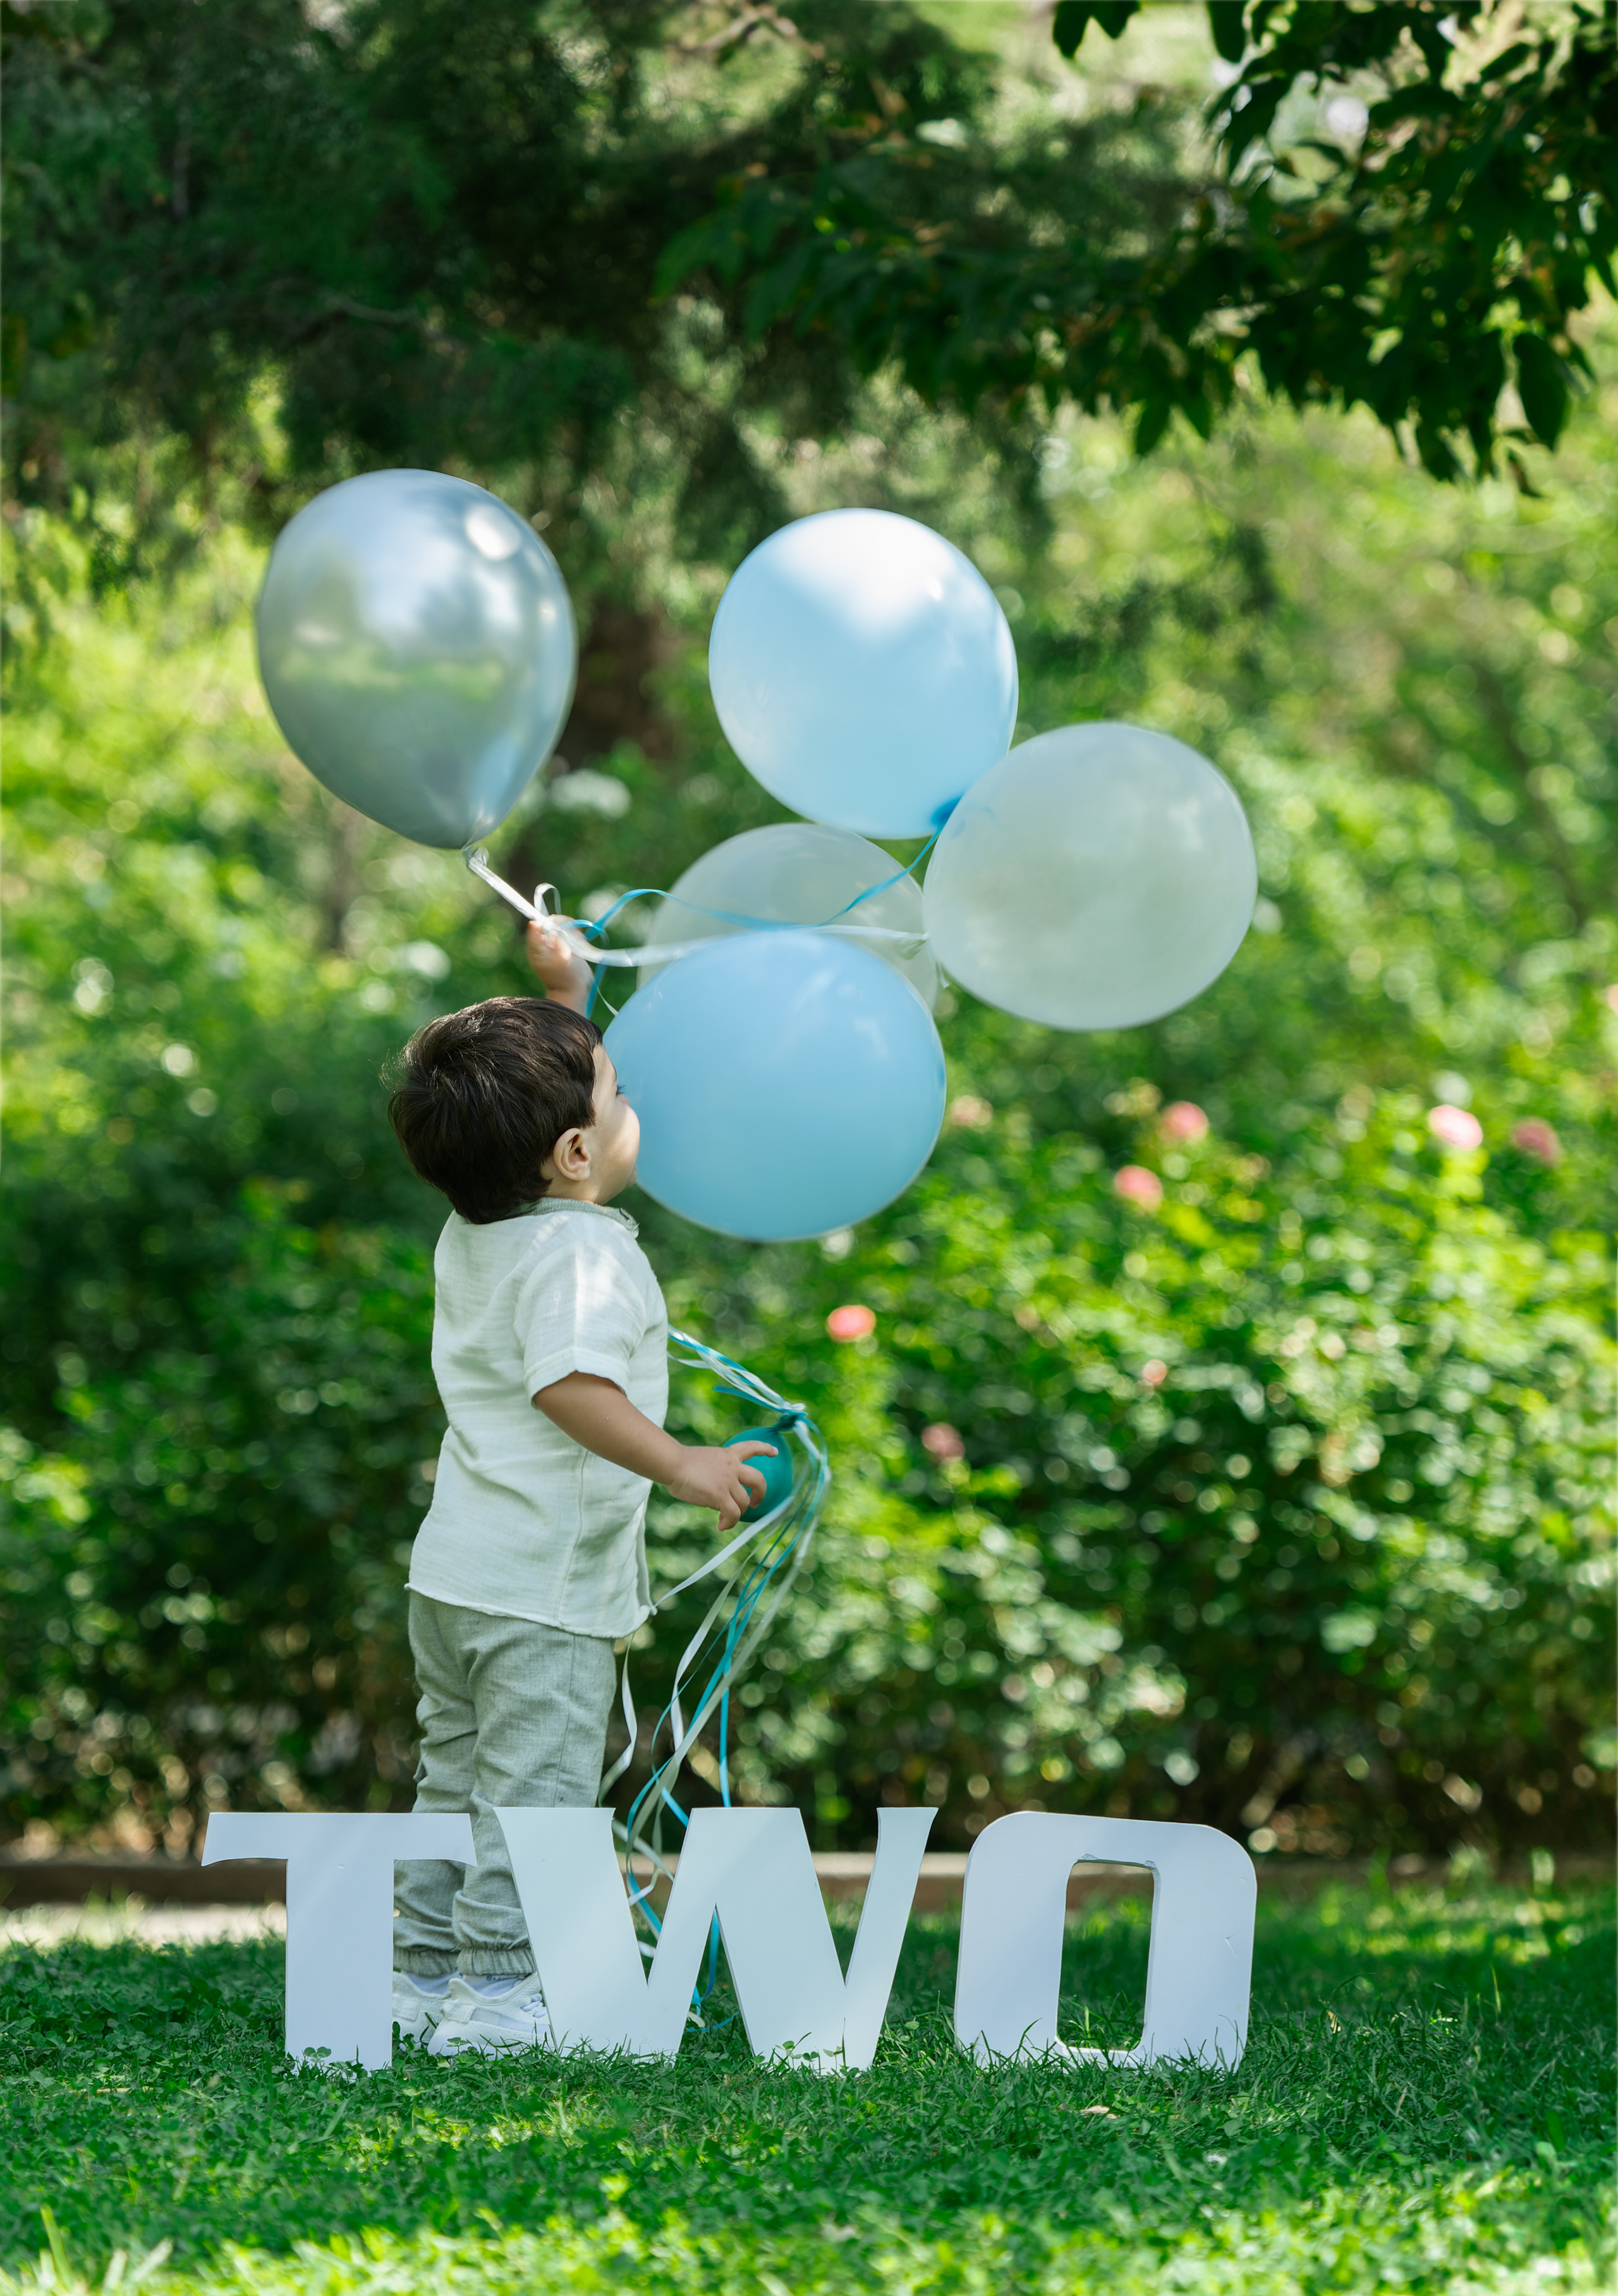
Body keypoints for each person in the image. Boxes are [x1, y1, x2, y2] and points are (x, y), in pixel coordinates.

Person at [385, 916, 777, 2056]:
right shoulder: (584, 1253)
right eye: (617, 1095)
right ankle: (502, 1996)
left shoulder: (483, 1222)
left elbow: (550, 1107)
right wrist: (681, 1460)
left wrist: (570, 991)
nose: (628, 1101)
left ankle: (420, 1974)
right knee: (535, 1796)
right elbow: (569, 1382)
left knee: (455, 1781)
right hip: (541, 1596)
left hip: (458, 1578)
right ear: (571, 1151)